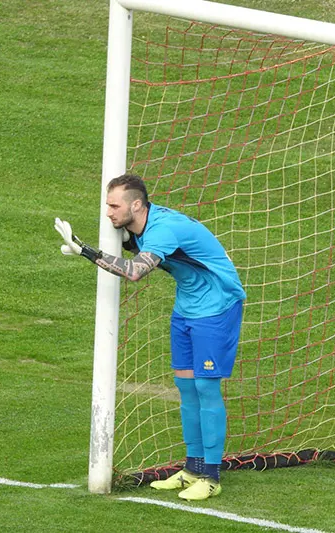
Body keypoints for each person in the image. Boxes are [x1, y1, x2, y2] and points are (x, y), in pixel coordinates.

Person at [54, 173, 246, 501]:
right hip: (187, 306)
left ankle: (211, 477)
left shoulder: (163, 230)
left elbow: (134, 272)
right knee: (186, 386)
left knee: (205, 386)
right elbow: (131, 244)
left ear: (138, 205)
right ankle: (192, 468)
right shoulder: (140, 226)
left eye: (115, 206)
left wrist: (85, 250)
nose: (109, 212)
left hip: (217, 306)